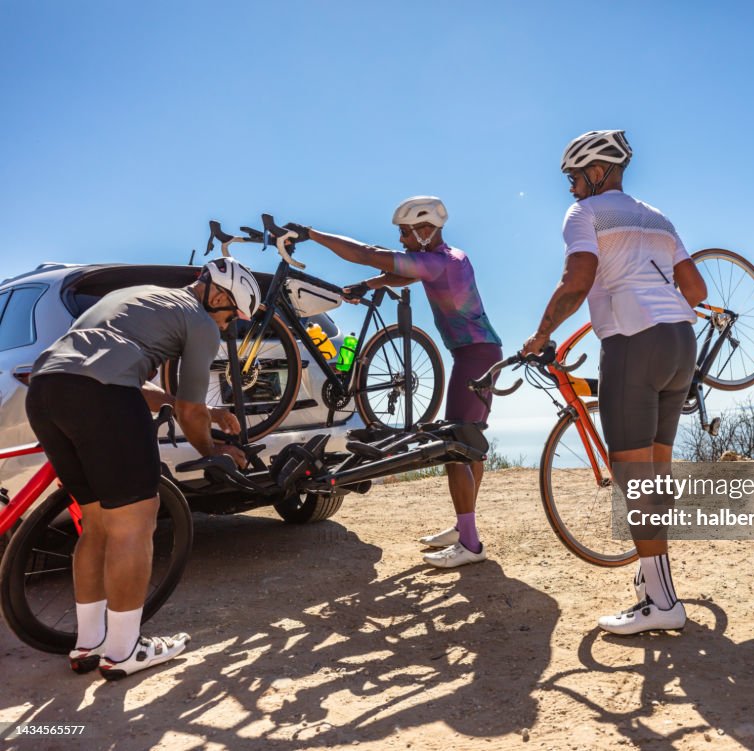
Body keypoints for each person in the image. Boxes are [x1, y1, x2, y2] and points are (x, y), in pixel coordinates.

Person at [26, 257, 257, 678]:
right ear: (219, 295)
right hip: (102, 396)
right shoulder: (200, 322)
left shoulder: (133, 297)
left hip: (46, 390)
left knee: (96, 524)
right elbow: (187, 411)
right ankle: (123, 651)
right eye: (232, 317)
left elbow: (125, 374)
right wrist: (214, 453)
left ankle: (88, 645)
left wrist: (200, 410)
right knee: (135, 525)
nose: (228, 328)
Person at [522, 130, 708, 635]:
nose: (570, 189)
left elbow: (577, 280)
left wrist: (542, 333)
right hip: (680, 344)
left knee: (633, 479)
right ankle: (655, 586)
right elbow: (695, 288)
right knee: (656, 472)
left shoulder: (585, 215)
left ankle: (663, 603)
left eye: (574, 178)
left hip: (633, 344)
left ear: (596, 172)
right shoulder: (658, 216)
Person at [299, 197, 502, 569]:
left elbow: (367, 253)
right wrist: (369, 284)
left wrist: (311, 234)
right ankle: (463, 527)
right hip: (480, 353)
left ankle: (470, 544)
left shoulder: (440, 261)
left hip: (475, 357)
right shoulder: (449, 257)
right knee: (469, 444)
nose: (401, 239)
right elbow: (407, 273)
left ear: (426, 231)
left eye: (406, 233)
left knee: (457, 448)